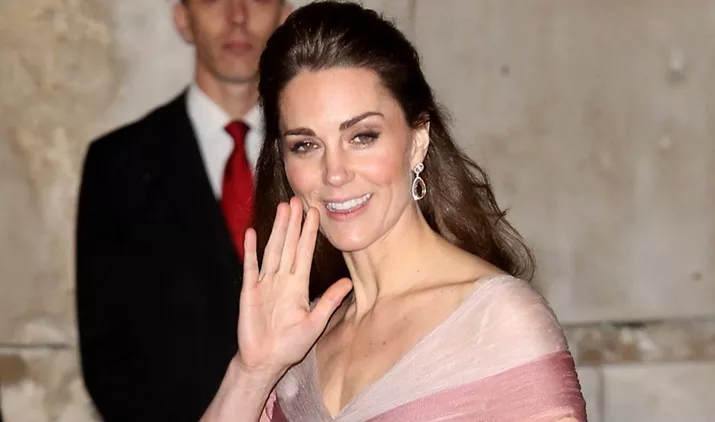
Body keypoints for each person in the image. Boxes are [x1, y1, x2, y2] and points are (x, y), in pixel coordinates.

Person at [202, 1, 587, 421]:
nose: (334, 173)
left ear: (417, 140)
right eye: (306, 145)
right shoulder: (298, 344)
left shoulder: (499, 322)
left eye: (362, 136)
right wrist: (253, 371)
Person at [75, 1, 292, 420]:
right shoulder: (117, 163)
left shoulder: (324, 159)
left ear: (285, 16)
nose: (238, 15)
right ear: (182, 19)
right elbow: (105, 352)